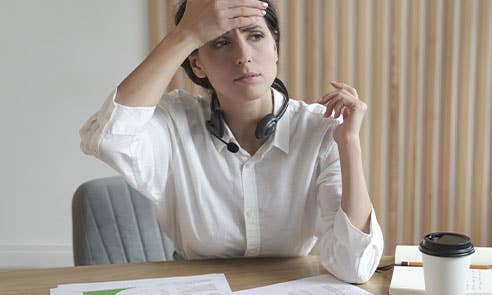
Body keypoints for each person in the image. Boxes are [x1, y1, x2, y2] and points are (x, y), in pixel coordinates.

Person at [79, 0, 383, 283]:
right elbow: (109, 140)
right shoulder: (174, 121)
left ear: (275, 47)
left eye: (255, 36)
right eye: (221, 42)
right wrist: (185, 35)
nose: (243, 56)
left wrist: (349, 143)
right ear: (197, 65)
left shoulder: (319, 128)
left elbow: (353, 265)